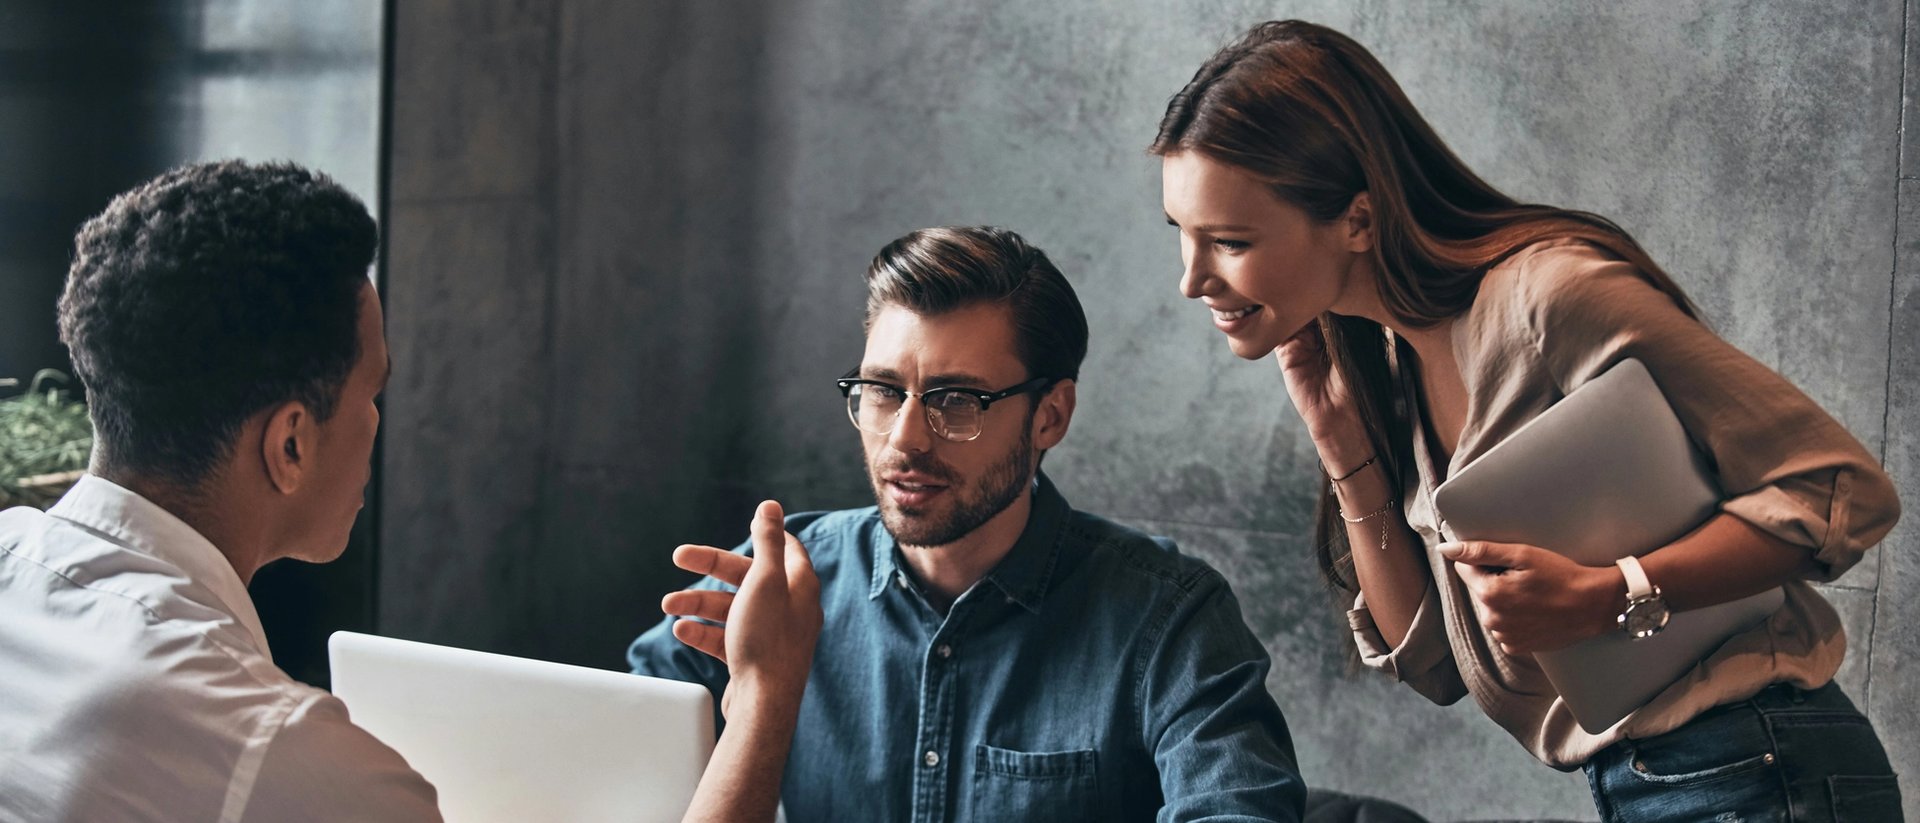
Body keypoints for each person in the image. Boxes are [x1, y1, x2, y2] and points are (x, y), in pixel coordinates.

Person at [1151, 20, 1902, 821]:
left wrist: (1614, 593)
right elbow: (1436, 665)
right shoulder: (1392, 369)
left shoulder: (1547, 298)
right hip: (1653, 783)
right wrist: (1345, 452)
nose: (1193, 280)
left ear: (1359, 220)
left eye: (1228, 241)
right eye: (1183, 238)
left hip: (1757, 767)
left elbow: (1840, 490)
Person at [0, 159, 813, 823]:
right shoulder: (279, 755)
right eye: (373, 393)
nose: (379, 422)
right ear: (290, 443)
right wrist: (767, 702)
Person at [628, 225, 1307, 822]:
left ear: (1050, 416)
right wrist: (760, 698)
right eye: (883, 391)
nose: (905, 438)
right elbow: (606, 761)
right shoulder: (781, 582)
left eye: (958, 400)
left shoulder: (1167, 618)